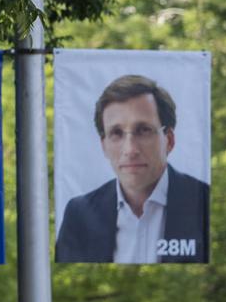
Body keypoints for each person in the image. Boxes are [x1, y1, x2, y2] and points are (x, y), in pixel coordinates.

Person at [55, 75, 209, 264]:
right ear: (103, 146)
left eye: (143, 130)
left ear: (169, 140)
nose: (130, 150)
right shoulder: (79, 214)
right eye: (116, 133)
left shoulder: (205, 203)